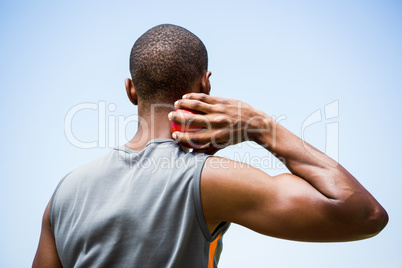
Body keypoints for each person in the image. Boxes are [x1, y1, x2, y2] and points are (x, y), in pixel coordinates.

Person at [33, 24, 388, 268]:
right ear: (205, 85)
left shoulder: (64, 195)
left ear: (130, 89)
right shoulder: (208, 180)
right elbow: (363, 215)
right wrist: (260, 126)